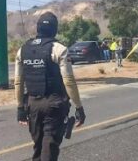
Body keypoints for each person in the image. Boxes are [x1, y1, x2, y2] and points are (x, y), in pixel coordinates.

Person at [15, 12, 86, 161]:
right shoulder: (60, 49)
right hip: (54, 104)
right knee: (49, 147)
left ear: (38, 28)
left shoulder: (23, 50)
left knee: (39, 146)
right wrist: (79, 107)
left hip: (32, 104)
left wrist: (20, 108)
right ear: (55, 29)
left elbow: (18, 82)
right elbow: (69, 81)